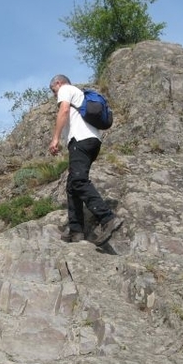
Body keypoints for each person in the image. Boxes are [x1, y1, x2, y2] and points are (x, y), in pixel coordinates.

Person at [48, 74, 123, 246]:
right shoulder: (79, 94)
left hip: (80, 140)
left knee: (79, 181)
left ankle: (107, 218)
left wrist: (55, 139)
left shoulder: (66, 89)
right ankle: (76, 231)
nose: (54, 96)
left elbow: (64, 111)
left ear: (58, 83)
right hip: (93, 141)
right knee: (72, 184)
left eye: (53, 91)